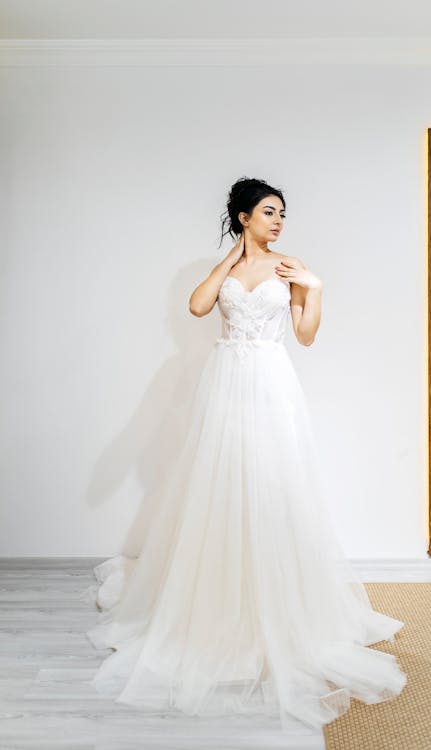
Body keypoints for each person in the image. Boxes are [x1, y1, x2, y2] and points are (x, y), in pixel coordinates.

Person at [83, 177, 407, 736]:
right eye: (268, 212)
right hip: (227, 381)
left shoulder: (290, 266)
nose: (278, 221)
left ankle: (276, 609)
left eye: (282, 214)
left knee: (272, 482)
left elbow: (304, 336)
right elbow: (198, 305)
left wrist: (316, 286)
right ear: (242, 217)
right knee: (222, 483)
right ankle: (216, 606)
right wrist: (231, 257)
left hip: (272, 381)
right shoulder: (228, 270)